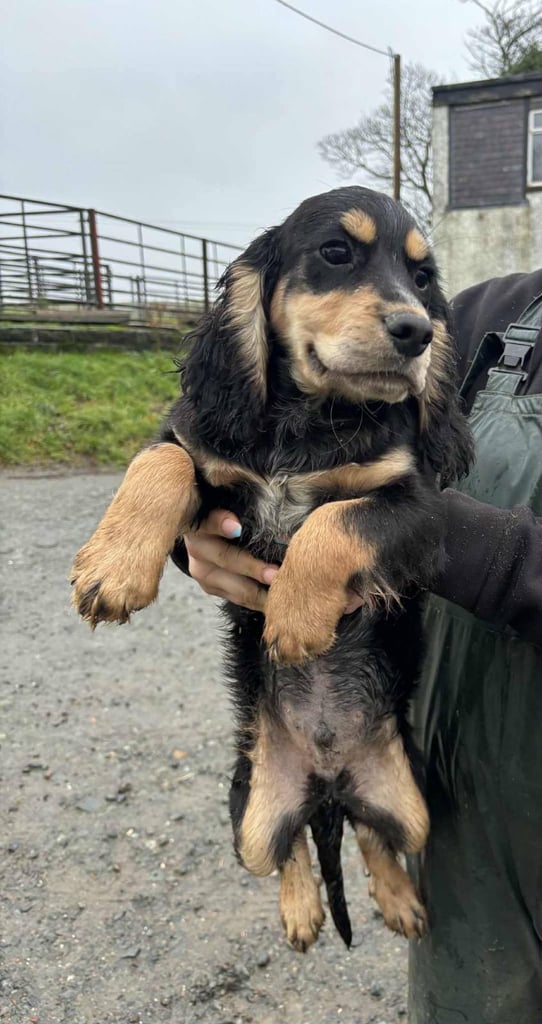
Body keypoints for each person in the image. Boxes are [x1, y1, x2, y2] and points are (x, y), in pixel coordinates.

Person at [176, 269, 542, 1024]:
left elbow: (400, 506)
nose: (401, 305)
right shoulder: (482, 315)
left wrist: (410, 530)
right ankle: (351, 852)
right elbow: (253, 437)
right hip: (463, 787)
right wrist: (207, 533)